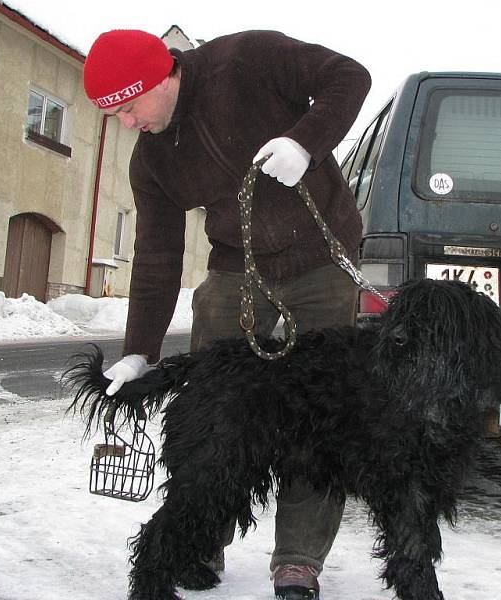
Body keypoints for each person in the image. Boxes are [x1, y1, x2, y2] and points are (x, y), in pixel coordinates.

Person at [82, 28, 371, 600]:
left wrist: (304, 141)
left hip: (321, 255)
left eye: (128, 106)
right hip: (237, 268)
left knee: (322, 413)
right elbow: (158, 256)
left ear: (161, 77)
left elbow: (349, 76)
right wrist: (139, 350)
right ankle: (198, 539)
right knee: (213, 415)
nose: (126, 123)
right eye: (114, 113)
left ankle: (298, 560)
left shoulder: (244, 61)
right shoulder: (153, 161)